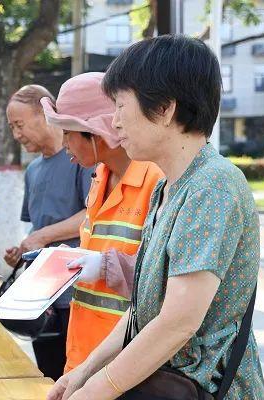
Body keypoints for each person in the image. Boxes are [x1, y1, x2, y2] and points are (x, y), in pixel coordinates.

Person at [49, 35, 264, 400]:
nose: (114, 123)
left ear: (164, 108)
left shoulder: (212, 187)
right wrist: (85, 372)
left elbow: (177, 324)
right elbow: (142, 311)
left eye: (120, 106)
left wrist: (96, 391)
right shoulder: (168, 187)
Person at [40, 72, 163, 374]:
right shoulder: (100, 178)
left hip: (126, 367)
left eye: (68, 131)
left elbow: (165, 282)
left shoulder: (157, 181)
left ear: (96, 133)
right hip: (83, 356)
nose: (63, 142)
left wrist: (99, 266)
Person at [4, 84, 93, 380]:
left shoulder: (80, 159)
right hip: (42, 292)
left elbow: (92, 213)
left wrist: (43, 236)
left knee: (76, 377)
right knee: (47, 375)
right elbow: (37, 225)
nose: (16, 134)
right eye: (12, 127)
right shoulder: (33, 171)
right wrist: (24, 248)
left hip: (76, 290)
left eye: (19, 124)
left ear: (44, 114)